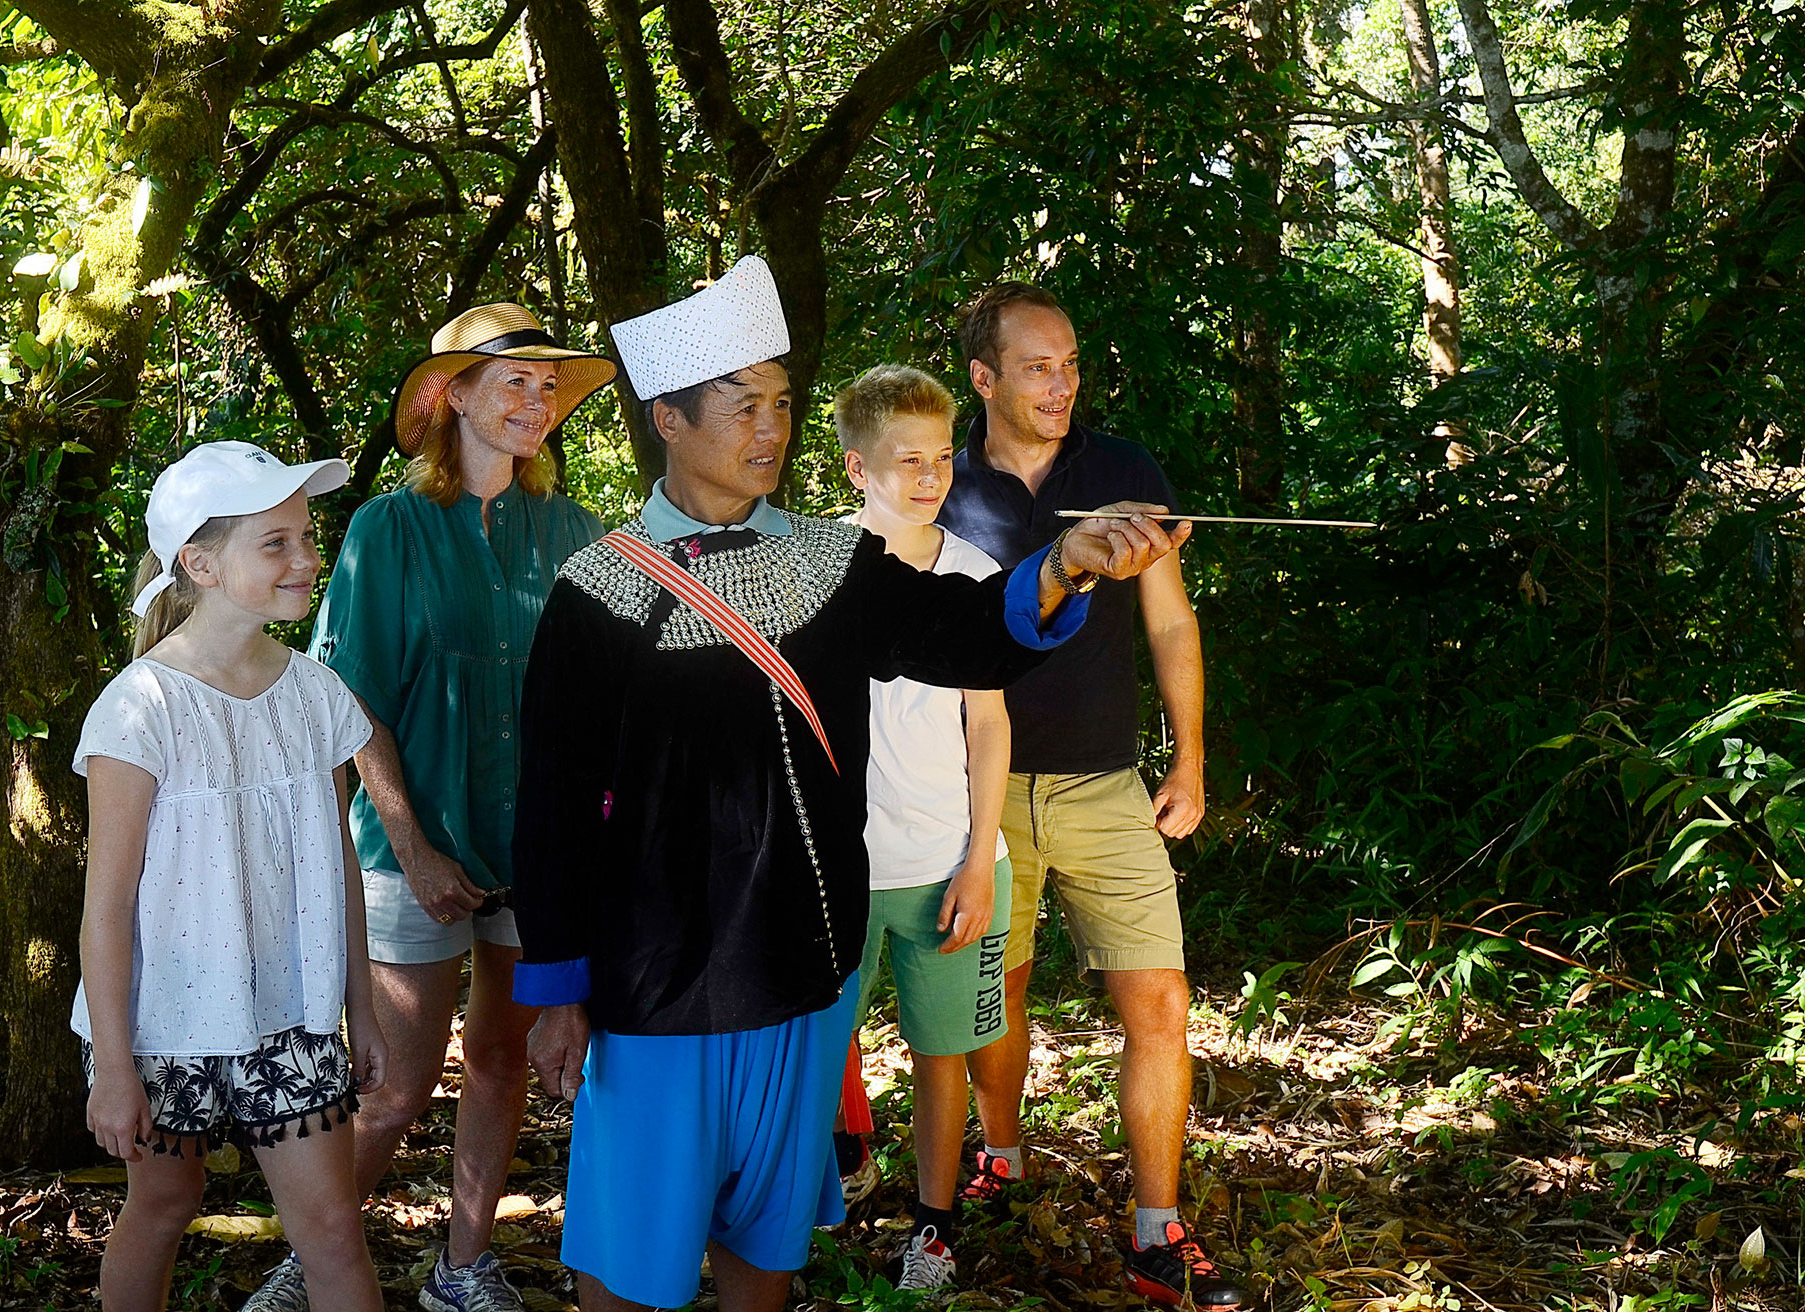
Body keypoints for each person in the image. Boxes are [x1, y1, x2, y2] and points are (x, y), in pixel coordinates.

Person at [509, 255, 1187, 1312]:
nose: (769, 429)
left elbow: (965, 635)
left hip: (802, 966)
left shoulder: (830, 562)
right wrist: (558, 993)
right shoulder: (597, 589)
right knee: (633, 1257)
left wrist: (1065, 567)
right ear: (669, 419)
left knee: (768, 1241)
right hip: (656, 981)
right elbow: (553, 803)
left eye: (781, 404)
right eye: (742, 406)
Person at [244, 306, 615, 1312]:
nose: (538, 402)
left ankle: (462, 1267)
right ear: (455, 396)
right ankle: (309, 1264)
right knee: (397, 1086)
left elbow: (598, 699)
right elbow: (351, 697)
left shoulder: (574, 533)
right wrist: (411, 844)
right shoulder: (388, 529)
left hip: (535, 851)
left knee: (499, 1060)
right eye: (515, 383)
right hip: (408, 848)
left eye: (549, 386)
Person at [937, 282, 1246, 1308]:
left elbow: (1170, 620)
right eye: (1037, 367)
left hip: (1108, 782)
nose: (1061, 384)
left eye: (1069, 364)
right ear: (983, 378)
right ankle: (1003, 1152)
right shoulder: (941, 480)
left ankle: (1158, 1230)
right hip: (979, 793)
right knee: (1000, 997)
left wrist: (1188, 758)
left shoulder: (1122, 470)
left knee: (1159, 1000)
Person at [74, 440, 385, 1312]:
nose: (306, 558)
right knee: (163, 1204)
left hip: (292, 1012)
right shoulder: (140, 707)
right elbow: (107, 908)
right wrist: (114, 1068)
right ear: (200, 564)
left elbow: (337, 862)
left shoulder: (317, 694)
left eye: (307, 537)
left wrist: (361, 1005)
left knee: (332, 1231)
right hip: (162, 1022)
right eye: (275, 542)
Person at [834, 364, 1014, 1291]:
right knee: (813, 1049)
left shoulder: (973, 573)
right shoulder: (816, 568)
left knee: (941, 1056)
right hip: (837, 869)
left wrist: (979, 861)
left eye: (942, 457)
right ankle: (815, 1194)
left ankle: (933, 1229)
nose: (931, 476)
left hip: (948, 860)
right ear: (856, 467)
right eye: (907, 460)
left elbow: (989, 723)